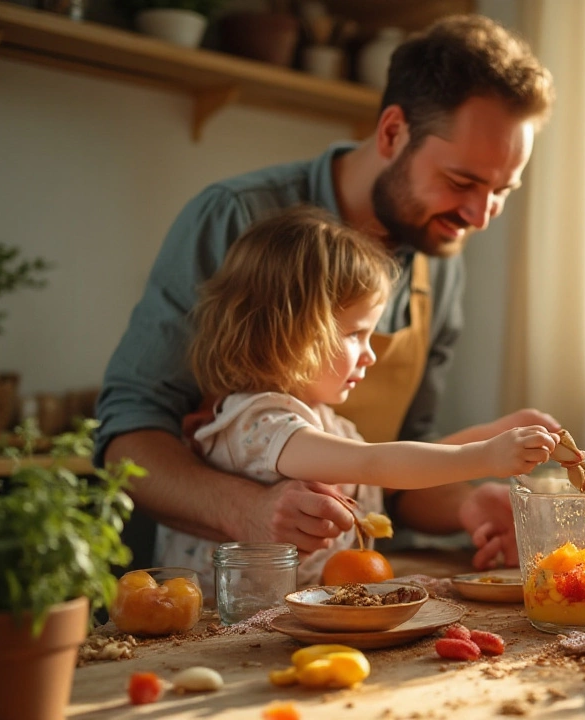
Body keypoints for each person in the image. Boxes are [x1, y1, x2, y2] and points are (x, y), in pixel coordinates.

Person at [95, 15, 556, 571]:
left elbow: (394, 471)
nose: (480, 216)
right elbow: (128, 436)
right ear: (392, 132)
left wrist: (469, 501)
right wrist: (250, 511)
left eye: (502, 190)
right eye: (462, 182)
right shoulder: (237, 217)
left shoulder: (440, 252)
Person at [165, 207, 560, 588]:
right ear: (290, 330)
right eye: (355, 334)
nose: (370, 354)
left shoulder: (326, 423)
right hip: (218, 623)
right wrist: (484, 456)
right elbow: (374, 464)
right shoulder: (259, 422)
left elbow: (393, 479)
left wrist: (493, 433)